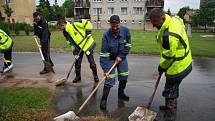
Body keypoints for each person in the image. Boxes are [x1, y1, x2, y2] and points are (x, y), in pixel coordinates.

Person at [149, 8, 192, 120]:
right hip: (183, 60)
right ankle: (170, 105)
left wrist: (161, 67)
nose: (153, 26)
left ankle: (170, 114)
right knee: (173, 86)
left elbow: (168, 56)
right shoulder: (172, 20)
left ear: (163, 18)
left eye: (155, 23)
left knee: (170, 89)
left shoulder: (169, 35)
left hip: (179, 65)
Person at [99, 15, 131, 110]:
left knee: (124, 76)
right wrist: (105, 69)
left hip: (122, 57)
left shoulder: (126, 31)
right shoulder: (106, 35)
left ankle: (121, 94)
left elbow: (128, 45)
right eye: (113, 26)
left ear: (119, 23)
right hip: (110, 58)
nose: (115, 28)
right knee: (109, 78)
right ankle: (104, 100)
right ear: (110, 24)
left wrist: (121, 56)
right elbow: (104, 54)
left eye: (117, 25)